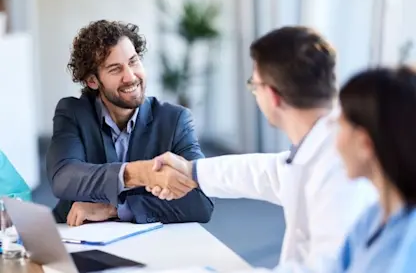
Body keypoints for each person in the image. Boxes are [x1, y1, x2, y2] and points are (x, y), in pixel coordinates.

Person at [147, 26, 378, 272]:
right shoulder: (320, 145)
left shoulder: (342, 167)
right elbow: (266, 172)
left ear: (273, 95)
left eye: (254, 85)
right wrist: (192, 171)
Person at [46, 20, 213, 226]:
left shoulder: (175, 120)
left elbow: (201, 202)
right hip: (76, 233)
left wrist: (114, 210)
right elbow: (64, 177)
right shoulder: (73, 113)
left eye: (133, 62)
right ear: (92, 81)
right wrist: (140, 173)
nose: (131, 77)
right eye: (115, 69)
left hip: (146, 243)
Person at [329, 66, 416, 272]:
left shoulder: (409, 244)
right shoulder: (374, 218)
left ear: (364, 143)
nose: (336, 143)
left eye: (340, 127)